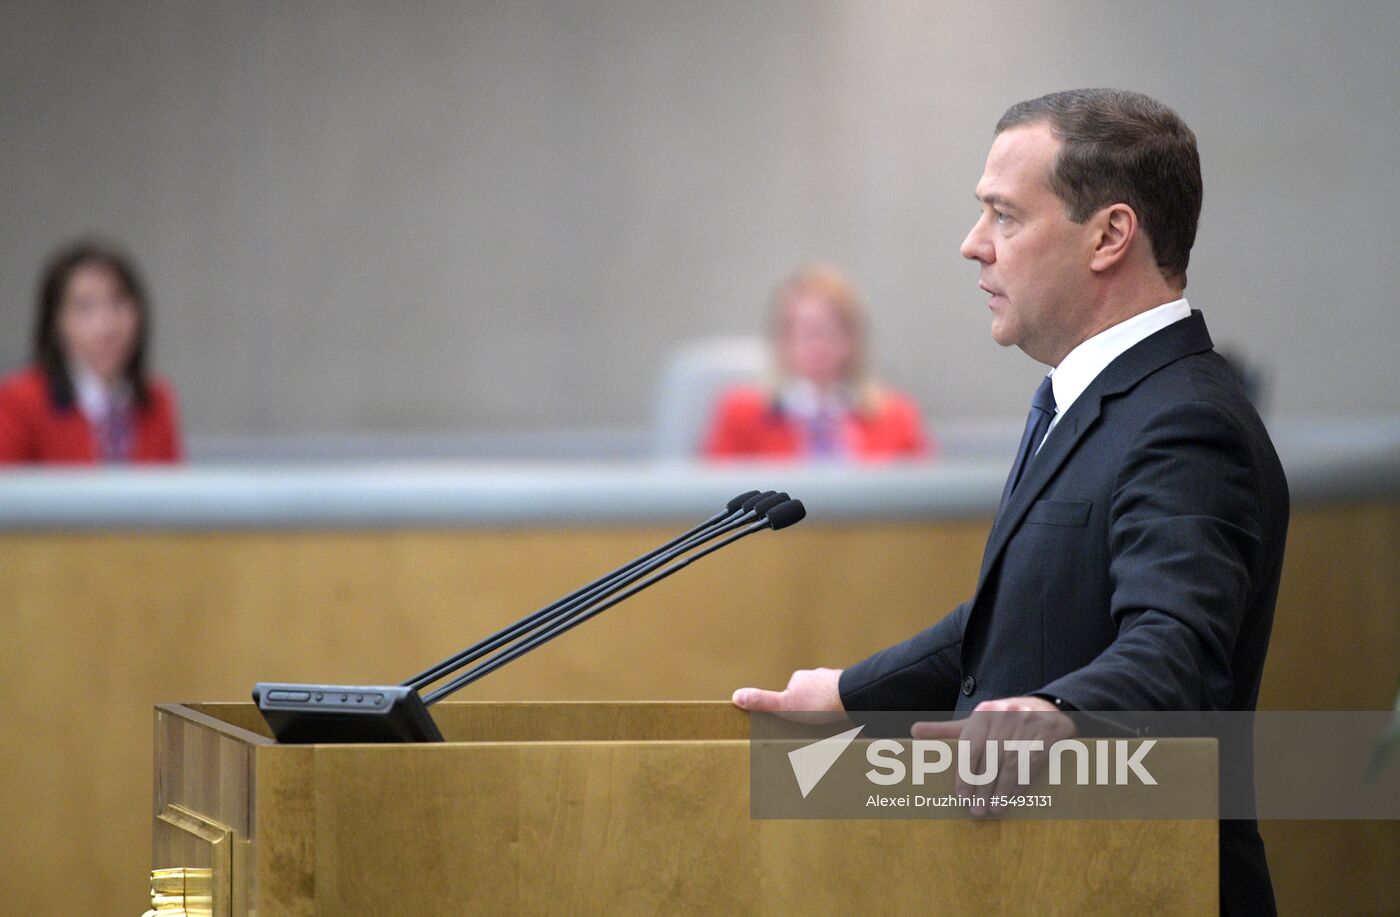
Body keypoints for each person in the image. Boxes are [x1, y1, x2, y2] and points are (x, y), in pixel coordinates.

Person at [732, 90, 1288, 916]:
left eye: (1003, 215)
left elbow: (1178, 648)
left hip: (1138, 882)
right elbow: (1019, 613)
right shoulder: (1087, 400)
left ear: (1109, 235)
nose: (971, 245)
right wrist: (850, 693)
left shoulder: (1185, 420)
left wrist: (1057, 713)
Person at [702, 264, 932, 461]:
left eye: (831, 331)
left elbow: (924, 500)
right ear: (783, 338)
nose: (819, 345)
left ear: (853, 338)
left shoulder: (896, 415)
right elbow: (715, 498)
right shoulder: (741, 414)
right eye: (808, 332)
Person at [0, 241, 182, 464]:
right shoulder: (20, 401)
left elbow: (173, 494)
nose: (106, 326)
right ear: (56, 323)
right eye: (85, 307)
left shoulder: (156, 399)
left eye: (118, 302)